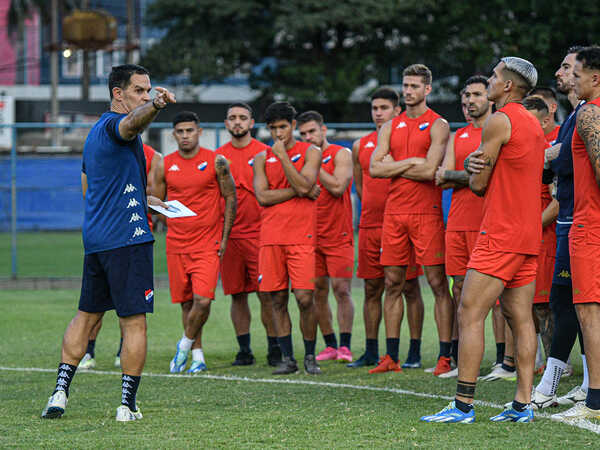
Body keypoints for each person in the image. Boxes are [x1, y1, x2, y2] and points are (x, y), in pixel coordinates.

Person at [41, 64, 175, 421]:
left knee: (86, 317)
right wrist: (158, 106)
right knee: (134, 322)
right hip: (127, 241)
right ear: (119, 93)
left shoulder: (93, 134)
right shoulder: (119, 127)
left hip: (98, 239)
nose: (146, 96)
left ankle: (59, 394)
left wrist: (146, 200)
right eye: (140, 91)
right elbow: (131, 124)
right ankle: (127, 405)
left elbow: (95, 191)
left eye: (149, 92)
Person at [421, 56, 546, 423]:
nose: (489, 81)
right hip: (527, 234)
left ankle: (462, 405)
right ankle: (522, 405)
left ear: (507, 86)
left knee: (470, 311)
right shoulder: (534, 124)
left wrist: (474, 166)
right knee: (520, 317)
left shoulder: (499, 120)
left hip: (501, 232)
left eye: (493, 76)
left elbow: (477, 185)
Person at [370, 64, 453, 375]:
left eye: (414, 86)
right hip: (394, 214)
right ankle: (391, 357)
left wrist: (396, 164)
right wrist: (411, 162)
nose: (408, 91)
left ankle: (445, 356)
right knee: (392, 282)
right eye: (405, 85)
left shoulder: (438, 124)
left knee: (436, 283)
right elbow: (375, 169)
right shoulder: (390, 125)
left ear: (427, 89)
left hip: (425, 213)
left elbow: (431, 170)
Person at [156, 111, 237, 374]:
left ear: (199, 132)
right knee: (187, 302)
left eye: (190, 130)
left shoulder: (216, 161)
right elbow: (156, 201)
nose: (185, 136)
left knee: (203, 301)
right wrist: (160, 208)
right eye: (180, 132)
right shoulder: (164, 164)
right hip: (177, 244)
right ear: (174, 135)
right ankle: (197, 356)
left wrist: (224, 238)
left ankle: (183, 344)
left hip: (207, 243)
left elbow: (231, 198)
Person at [349, 87, 425, 369]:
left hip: (403, 220)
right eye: (374, 108)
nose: (378, 113)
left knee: (409, 286)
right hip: (371, 224)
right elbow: (361, 184)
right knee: (372, 288)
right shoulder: (361, 145)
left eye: (384, 108)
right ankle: (371, 350)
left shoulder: (403, 140)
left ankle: (414, 352)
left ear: (396, 111)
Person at [435, 75, 504, 379]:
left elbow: (490, 174)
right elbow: (442, 177)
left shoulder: (496, 129)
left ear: (488, 97)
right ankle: (462, 359)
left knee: (498, 293)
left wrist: (458, 175)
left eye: (476, 94)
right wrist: (469, 172)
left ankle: (504, 360)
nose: (469, 101)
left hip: (488, 221)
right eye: (466, 96)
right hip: (458, 223)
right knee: (459, 288)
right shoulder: (457, 135)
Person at [531, 46, 589, 410]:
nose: (560, 72)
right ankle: (556, 385)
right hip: (570, 218)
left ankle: (586, 387)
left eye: (568, 67)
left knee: (582, 306)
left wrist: (553, 157)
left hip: (583, 221)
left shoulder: (590, 114)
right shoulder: (577, 114)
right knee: (563, 302)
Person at [78, 143, 162, 370]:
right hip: (109, 234)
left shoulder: (152, 155)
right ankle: (88, 351)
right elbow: (89, 193)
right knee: (96, 305)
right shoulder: (101, 148)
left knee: (129, 307)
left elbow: (153, 193)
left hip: (134, 236)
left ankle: (121, 351)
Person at [253, 101, 322, 375]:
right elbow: (263, 196)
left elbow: (306, 184)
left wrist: (283, 158)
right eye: (273, 128)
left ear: (293, 126)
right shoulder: (260, 158)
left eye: (283, 127)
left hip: (301, 236)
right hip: (271, 238)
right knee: (277, 299)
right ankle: (288, 358)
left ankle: (310, 356)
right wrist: (300, 190)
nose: (278, 133)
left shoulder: (311, 152)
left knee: (305, 298)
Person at [551, 45, 600, 423]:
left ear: (594, 78)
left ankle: (595, 401)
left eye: (578, 74)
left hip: (589, 224)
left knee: (588, 312)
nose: (573, 81)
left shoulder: (589, 114)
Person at [216, 102, 281, 366]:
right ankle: (245, 350)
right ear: (226, 124)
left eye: (243, 117)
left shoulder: (266, 153)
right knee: (237, 294)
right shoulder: (218, 157)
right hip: (230, 236)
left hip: (261, 235)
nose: (238, 122)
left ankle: (275, 347)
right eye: (232, 117)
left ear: (252, 123)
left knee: (267, 293)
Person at [296, 110, 355, 363]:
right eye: (304, 134)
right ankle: (330, 344)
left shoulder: (341, 154)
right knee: (317, 291)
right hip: (310, 235)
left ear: (323, 130)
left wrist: (312, 165)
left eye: (312, 131)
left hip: (338, 234)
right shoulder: (297, 158)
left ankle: (345, 346)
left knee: (341, 289)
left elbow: (338, 186)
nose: (308, 137)